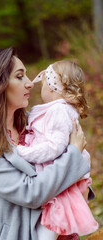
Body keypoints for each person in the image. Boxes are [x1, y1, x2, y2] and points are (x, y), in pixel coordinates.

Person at [0, 48, 91, 240]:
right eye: (19, 76)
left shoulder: (35, 124)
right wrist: (74, 154)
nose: (30, 83)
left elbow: (70, 164)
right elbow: (30, 193)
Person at [16, 60, 99, 239]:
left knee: (47, 233)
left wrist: (22, 152)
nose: (41, 87)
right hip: (62, 179)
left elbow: (54, 146)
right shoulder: (55, 110)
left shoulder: (59, 112)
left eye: (44, 83)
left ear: (53, 88)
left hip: (62, 186)